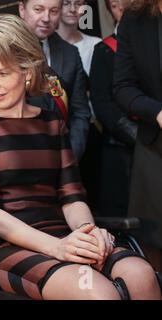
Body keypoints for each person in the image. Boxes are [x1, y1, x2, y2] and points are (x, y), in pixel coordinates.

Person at [0, 14, 161, 300]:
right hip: (7, 245)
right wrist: (57, 247)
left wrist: (87, 233)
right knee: (97, 293)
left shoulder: (51, 121)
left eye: (2, 73)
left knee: (143, 277)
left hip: (63, 234)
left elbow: (72, 197)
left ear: (28, 71)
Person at [113, 0, 162, 273]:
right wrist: (156, 112)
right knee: (153, 240)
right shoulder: (136, 17)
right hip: (155, 148)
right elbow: (122, 87)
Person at [19, 0, 90, 161]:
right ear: (22, 9)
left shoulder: (70, 53)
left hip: (64, 155)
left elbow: (80, 112)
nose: (46, 18)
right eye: (38, 9)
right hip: (21, 154)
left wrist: (71, 154)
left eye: (54, 11)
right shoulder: (6, 49)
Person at [90, 0, 135, 217]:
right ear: (110, 10)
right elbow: (101, 102)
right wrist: (134, 134)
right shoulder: (104, 49)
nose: (124, 9)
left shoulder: (148, 46)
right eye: (117, 5)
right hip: (119, 145)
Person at [57, 0, 101, 75]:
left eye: (78, 4)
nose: (72, 9)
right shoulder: (45, 43)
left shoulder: (96, 44)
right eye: (66, 3)